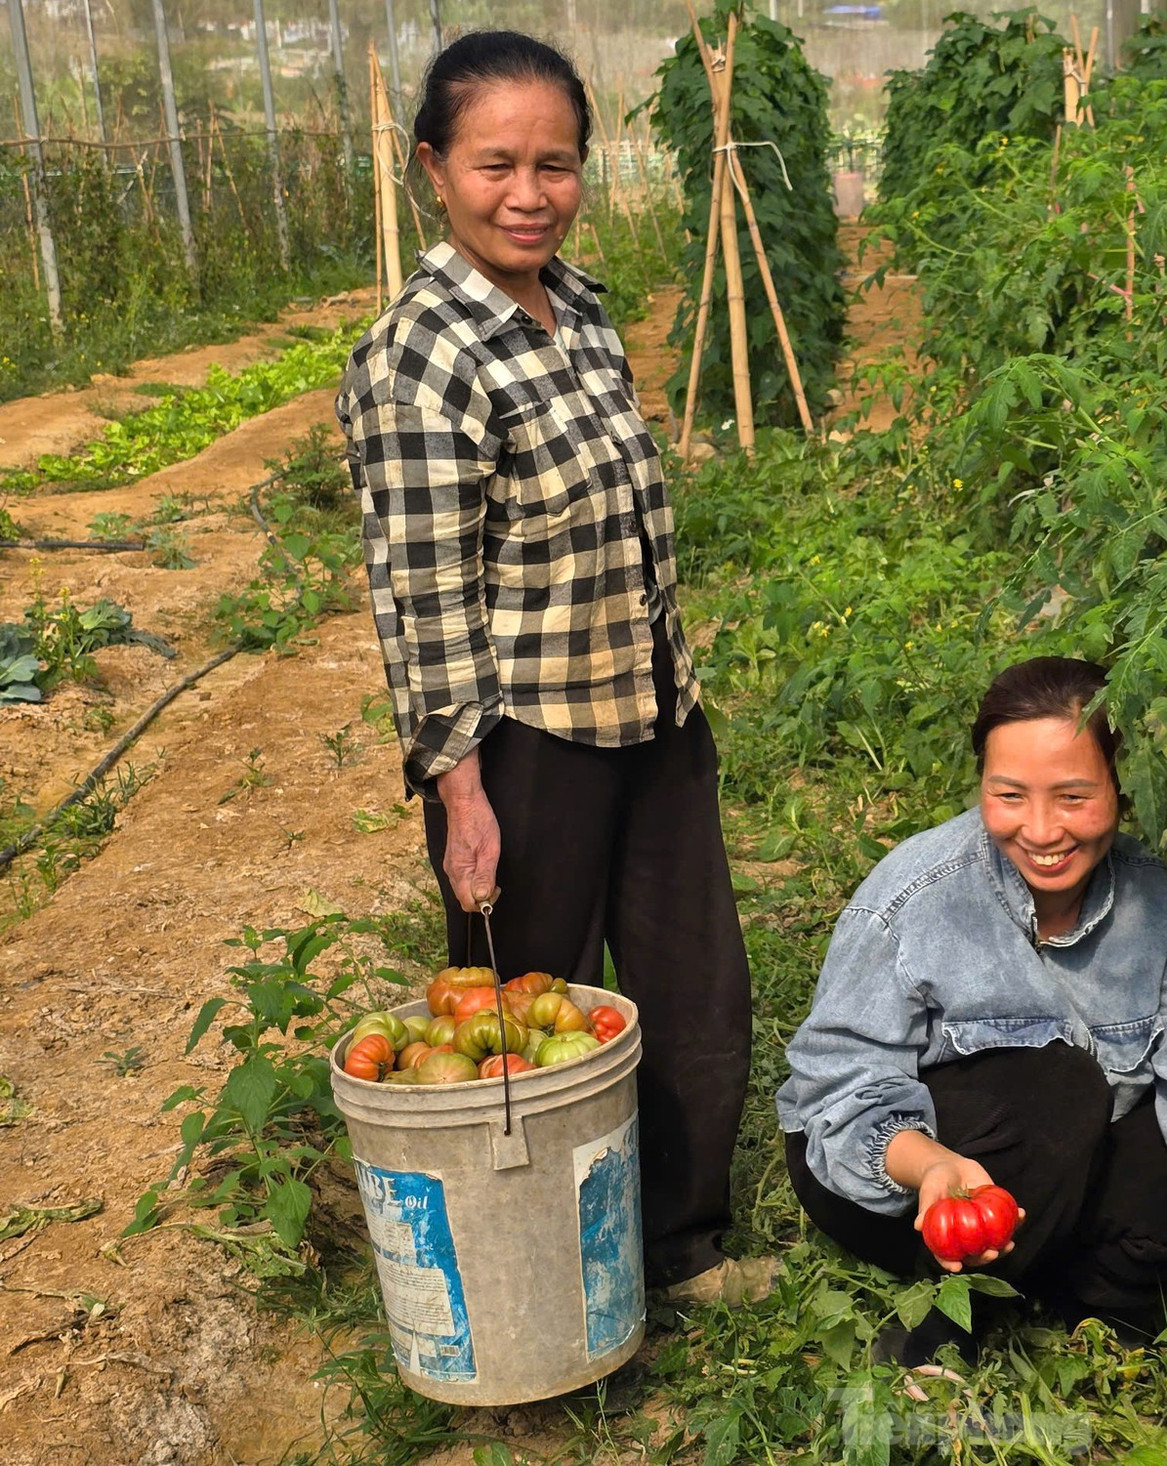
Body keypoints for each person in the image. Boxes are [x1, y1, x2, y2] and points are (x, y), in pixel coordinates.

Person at [336, 31, 766, 1305]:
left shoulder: (577, 309)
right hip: (523, 741)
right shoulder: (420, 354)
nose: (530, 192)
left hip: (648, 704)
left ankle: (680, 1244)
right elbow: (422, 598)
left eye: (557, 163)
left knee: (696, 985)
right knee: (521, 1021)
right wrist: (461, 792)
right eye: (496, 165)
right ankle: (530, 1276)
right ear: (433, 168)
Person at [776, 658, 1167, 1450]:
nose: (1041, 831)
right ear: (982, 786)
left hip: (1049, 1167)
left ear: (1121, 786)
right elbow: (840, 1084)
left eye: (1074, 796)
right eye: (1008, 796)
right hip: (892, 1176)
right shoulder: (918, 893)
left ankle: (1050, 1285)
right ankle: (939, 1336)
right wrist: (929, 1167)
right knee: (1061, 1084)